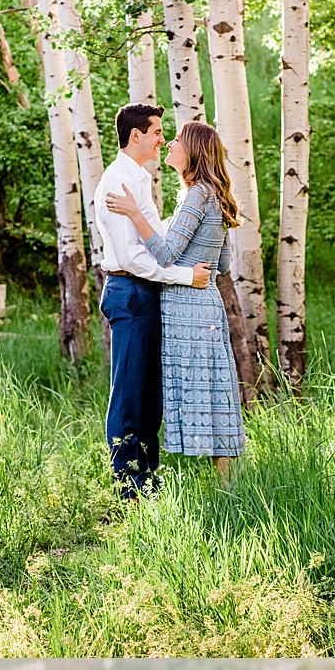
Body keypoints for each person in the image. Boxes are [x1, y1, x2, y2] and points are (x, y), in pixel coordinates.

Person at [106, 121, 246, 479]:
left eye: (178, 140)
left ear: (194, 151)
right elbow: (224, 263)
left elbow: (167, 254)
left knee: (199, 389)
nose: (169, 143)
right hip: (208, 302)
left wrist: (136, 213)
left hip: (187, 307)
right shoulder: (213, 193)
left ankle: (219, 486)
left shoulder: (196, 194)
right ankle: (229, 483)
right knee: (215, 389)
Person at [93, 104, 212, 498]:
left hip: (146, 291)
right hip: (128, 291)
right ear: (136, 135)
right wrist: (184, 276)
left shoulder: (138, 180)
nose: (163, 139)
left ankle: (147, 480)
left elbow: (154, 238)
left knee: (148, 397)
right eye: (158, 131)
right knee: (129, 395)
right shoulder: (117, 183)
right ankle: (127, 487)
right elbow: (132, 257)